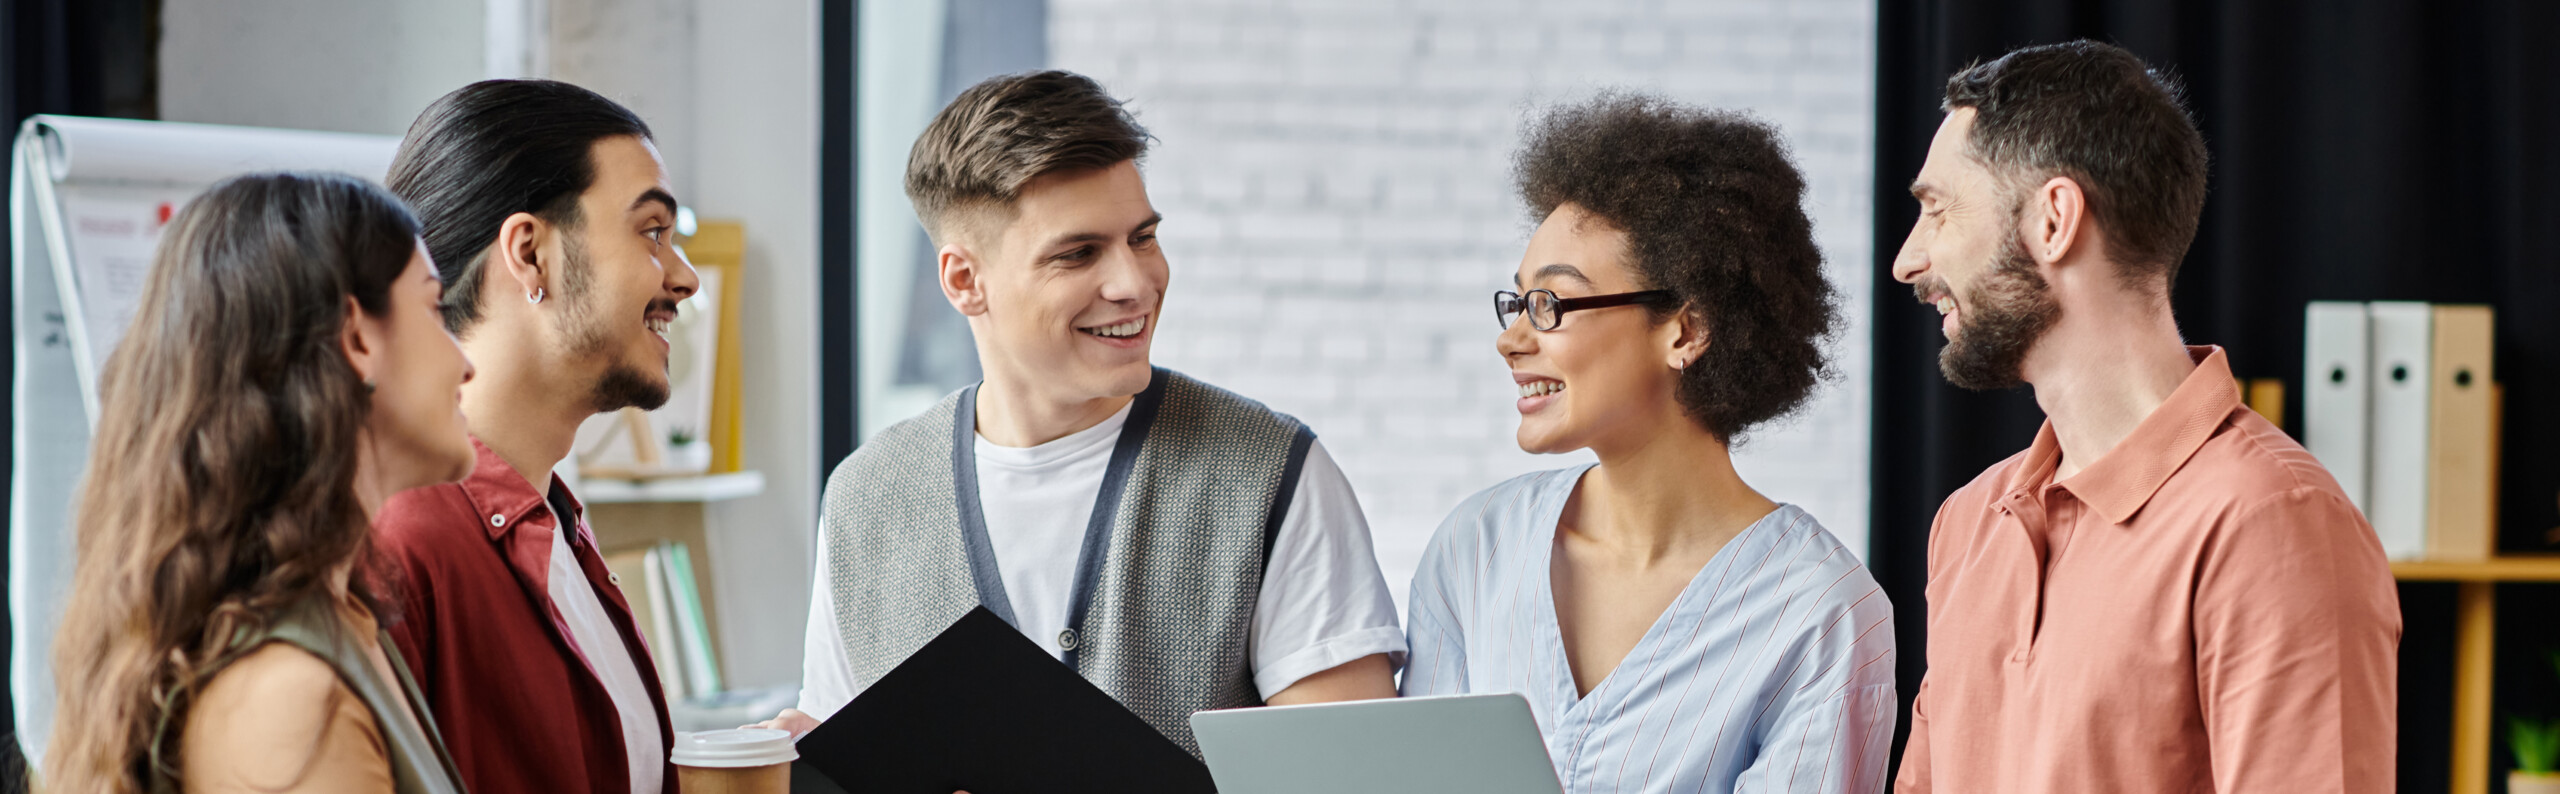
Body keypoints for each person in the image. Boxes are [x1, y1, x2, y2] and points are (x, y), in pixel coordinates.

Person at [756, 70, 1404, 755]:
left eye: (1143, 238)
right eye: (1079, 254)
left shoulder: (1272, 476)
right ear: (964, 280)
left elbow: (1351, 773)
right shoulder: (868, 497)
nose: (1135, 283)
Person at [1889, 41, 2399, 792]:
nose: (1908, 259)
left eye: (1937, 210)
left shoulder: (2273, 521)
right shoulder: (1967, 525)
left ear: (2054, 221)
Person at [1400, 94, 1897, 793]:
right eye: (1517, 302)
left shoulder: (1820, 611)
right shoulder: (1477, 548)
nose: (1511, 340)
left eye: (1550, 304)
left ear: (1686, 331)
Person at [43, 172, 474, 793]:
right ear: (356, 337)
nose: (465, 361)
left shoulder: (346, 621)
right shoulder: (290, 701)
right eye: (435, 309)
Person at [375, 79, 698, 794]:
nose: (685, 278)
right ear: (530, 253)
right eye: (652, 232)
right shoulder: (401, 540)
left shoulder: (556, 527)